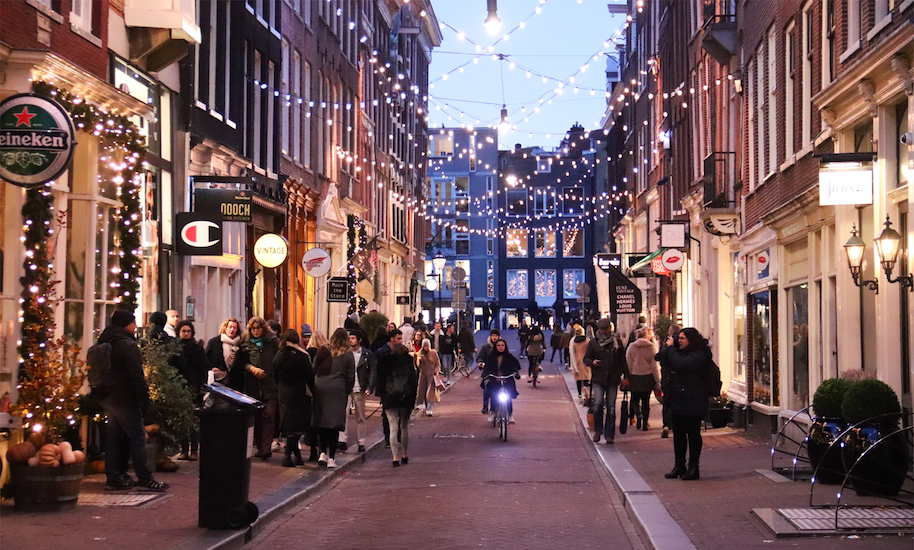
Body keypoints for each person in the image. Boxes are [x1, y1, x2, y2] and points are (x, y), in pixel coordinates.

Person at [97, 310, 168, 491]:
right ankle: (145, 477)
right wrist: (143, 399)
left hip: (108, 397)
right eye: (132, 322)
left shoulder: (105, 340)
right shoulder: (127, 345)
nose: (135, 326)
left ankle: (114, 477)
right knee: (137, 437)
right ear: (125, 324)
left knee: (113, 438)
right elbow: (136, 375)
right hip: (126, 398)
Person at [655, 328, 712, 480]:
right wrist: (667, 347)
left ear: (691, 340)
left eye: (682, 338)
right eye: (678, 338)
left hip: (694, 399)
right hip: (678, 398)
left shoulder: (700, 354)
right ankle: (679, 465)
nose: (679, 341)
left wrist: (672, 348)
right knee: (678, 434)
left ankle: (694, 467)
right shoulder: (678, 351)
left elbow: (682, 365)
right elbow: (658, 357)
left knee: (693, 434)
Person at [233, 317, 280, 459]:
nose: (256, 331)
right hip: (253, 386)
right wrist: (252, 369)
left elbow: (279, 360)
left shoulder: (272, 342)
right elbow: (241, 363)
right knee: (257, 417)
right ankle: (260, 447)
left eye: (258, 328)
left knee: (269, 415)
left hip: (270, 385)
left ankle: (266, 447)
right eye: (253, 329)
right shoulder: (245, 343)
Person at [311, 328, 355, 468]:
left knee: (322, 422)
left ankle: (322, 453)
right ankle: (332, 458)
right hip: (337, 389)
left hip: (321, 387)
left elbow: (314, 367)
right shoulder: (348, 354)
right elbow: (350, 376)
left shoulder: (323, 349)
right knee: (334, 425)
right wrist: (346, 390)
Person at [273, 329, 315, 467]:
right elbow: (309, 376)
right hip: (298, 392)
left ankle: (296, 456)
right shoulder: (302, 356)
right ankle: (287, 456)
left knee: (288, 423)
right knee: (296, 426)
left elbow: (274, 372)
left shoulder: (279, 355)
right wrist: (313, 390)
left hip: (283, 392)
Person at [584, 319, 629, 444]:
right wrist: (592, 362)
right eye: (602, 330)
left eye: (606, 330)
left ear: (610, 328)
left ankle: (609, 434)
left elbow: (622, 360)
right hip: (598, 378)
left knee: (611, 407)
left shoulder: (617, 342)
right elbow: (586, 358)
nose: (604, 332)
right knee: (598, 404)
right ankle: (598, 430)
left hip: (613, 378)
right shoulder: (594, 342)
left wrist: (626, 376)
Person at [375, 343, 418, 467]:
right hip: (405, 400)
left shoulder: (385, 363)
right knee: (404, 427)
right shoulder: (409, 363)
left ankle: (394, 457)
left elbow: (380, 382)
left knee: (393, 427)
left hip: (390, 399)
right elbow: (413, 382)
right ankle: (404, 454)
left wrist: (383, 397)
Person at [175, 321, 209, 461]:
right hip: (180, 386)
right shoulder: (176, 348)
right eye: (183, 331)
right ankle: (183, 449)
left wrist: (202, 386)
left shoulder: (197, 348)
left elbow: (203, 368)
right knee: (182, 419)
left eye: (188, 331)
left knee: (194, 419)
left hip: (194, 386)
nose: (186, 333)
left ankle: (194, 449)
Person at [346, 329, 376, 453]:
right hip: (347, 388)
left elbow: (373, 371)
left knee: (361, 416)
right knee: (343, 415)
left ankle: (361, 441)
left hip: (360, 388)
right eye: (349, 338)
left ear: (359, 340)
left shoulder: (367, 354)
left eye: (353, 338)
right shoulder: (346, 353)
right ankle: (342, 440)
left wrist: (369, 387)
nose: (350, 340)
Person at [626, 327, 661, 431]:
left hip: (635, 376)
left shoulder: (631, 347)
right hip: (647, 377)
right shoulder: (652, 348)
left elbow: (628, 363)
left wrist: (628, 375)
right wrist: (658, 380)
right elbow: (655, 366)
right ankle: (645, 423)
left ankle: (638, 414)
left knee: (634, 399)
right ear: (648, 336)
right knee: (646, 401)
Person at [481, 339, 521, 424]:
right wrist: (485, 375)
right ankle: (493, 412)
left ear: (505, 346)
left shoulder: (509, 357)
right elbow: (487, 367)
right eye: (498, 345)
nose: (500, 347)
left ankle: (510, 415)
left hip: (507, 380)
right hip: (495, 379)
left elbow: (515, 366)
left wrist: (516, 373)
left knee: (508, 397)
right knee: (493, 396)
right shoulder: (491, 356)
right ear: (496, 347)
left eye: (502, 345)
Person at [205, 317, 242, 389]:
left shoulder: (241, 343)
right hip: (219, 381)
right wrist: (212, 367)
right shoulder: (214, 342)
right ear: (225, 328)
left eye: (234, 328)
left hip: (236, 383)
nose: (232, 330)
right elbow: (205, 358)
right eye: (230, 327)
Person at [657, 324, 680, 438]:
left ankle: (666, 424)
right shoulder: (681, 347)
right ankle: (676, 424)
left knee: (667, 402)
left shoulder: (668, 347)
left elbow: (657, 357)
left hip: (667, 377)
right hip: (679, 378)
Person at [476, 328, 500, 414]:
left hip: (500, 373)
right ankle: (485, 406)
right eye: (493, 336)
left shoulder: (501, 347)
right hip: (489, 372)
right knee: (486, 386)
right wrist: (480, 362)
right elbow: (481, 356)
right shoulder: (485, 348)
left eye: (496, 336)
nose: (494, 337)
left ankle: (506, 409)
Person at [415, 338, 441, 416]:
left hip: (431, 375)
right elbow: (418, 365)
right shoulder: (420, 353)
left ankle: (430, 409)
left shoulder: (433, 353)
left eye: (427, 346)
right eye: (424, 346)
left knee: (431, 392)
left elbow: (437, 363)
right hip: (423, 375)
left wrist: (436, 371)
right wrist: (420, 360)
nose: (425, 348)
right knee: (423, 391)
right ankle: (425, 406)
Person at [569, 325, 590, 402]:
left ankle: (579, 394)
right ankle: (585, 386)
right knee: (586, 376)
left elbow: (572, 352)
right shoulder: (587, 341)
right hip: (586, 359)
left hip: (577, 359)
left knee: (578, 378)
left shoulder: (574, 342)